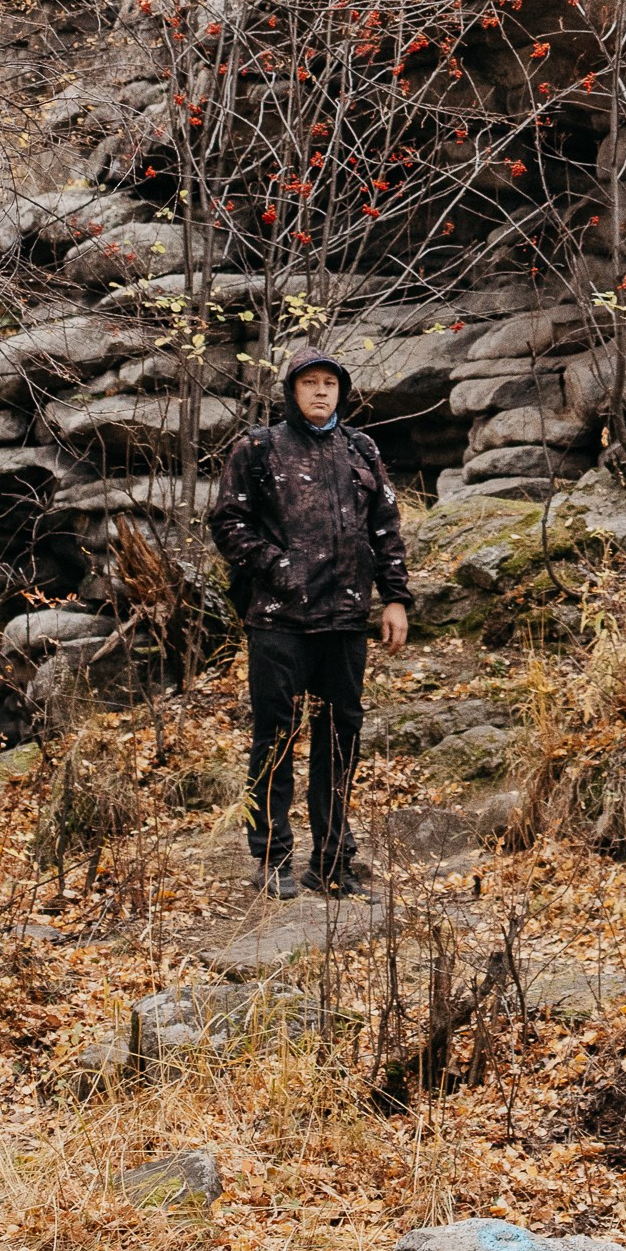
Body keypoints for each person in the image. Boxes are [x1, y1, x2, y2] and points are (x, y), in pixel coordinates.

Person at [210, 340, 410, 899]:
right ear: (292, 392)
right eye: (310, 383)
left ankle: (331, 861)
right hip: (278, 620)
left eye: (330, 384)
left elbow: (386, 528)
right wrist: (280, 568)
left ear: (341, 391)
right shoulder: (258, 447)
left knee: (340, 740)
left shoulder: (361, 449)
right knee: (274, 738)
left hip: (345, 621)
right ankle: (272, 858)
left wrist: (395, 599)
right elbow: (228, 523)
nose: (321, 392)